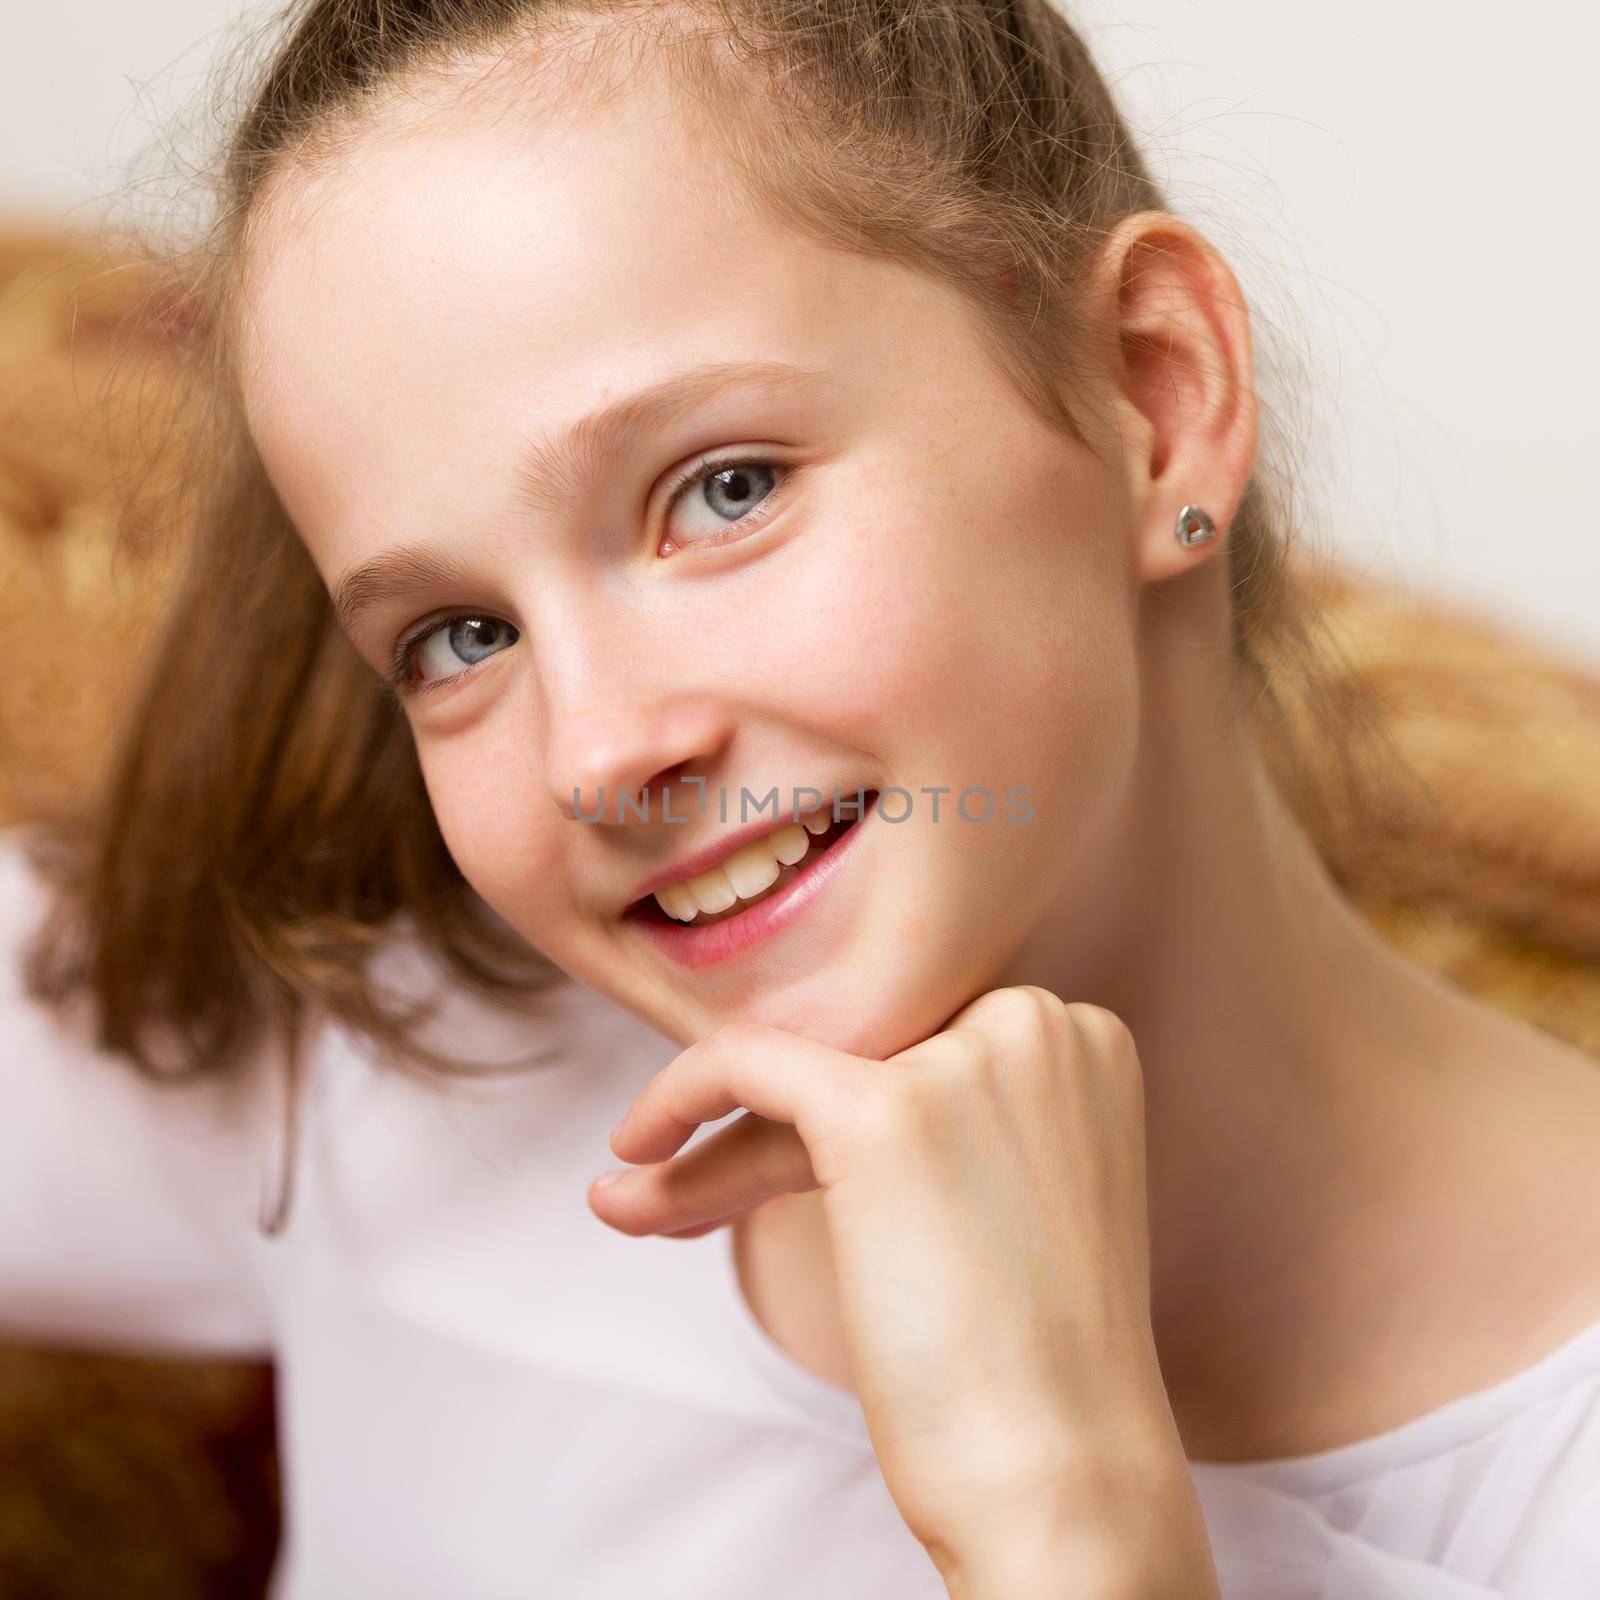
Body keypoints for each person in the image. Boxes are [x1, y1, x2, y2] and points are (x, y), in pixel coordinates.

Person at [5, 0, 1599, 1594]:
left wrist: (1071, 1520)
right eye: (459, 637)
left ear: (1155, 397)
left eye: (723, 490)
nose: (595, 754)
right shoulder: (400, 1081)